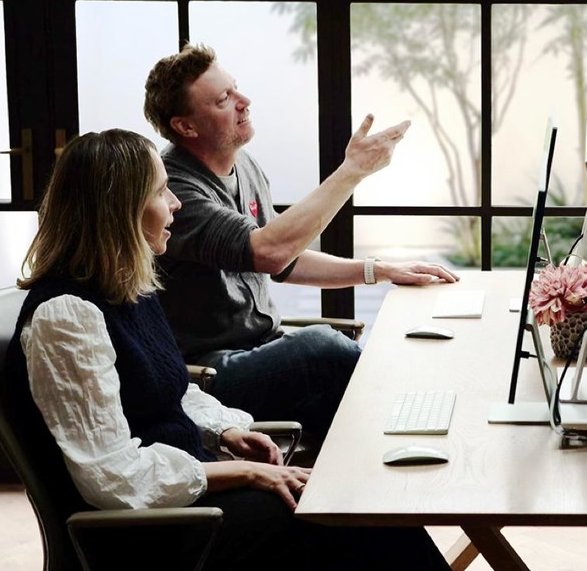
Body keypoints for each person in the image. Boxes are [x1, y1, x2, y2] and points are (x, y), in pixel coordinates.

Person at [5, 129, 556, 571]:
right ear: (118, 209)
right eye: (163, 193)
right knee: (354, 531)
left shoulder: (123, 284)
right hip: (146, 540)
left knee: (361, 531)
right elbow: (111, 478)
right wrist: (240, 471)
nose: (178, 205)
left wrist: (227, 432)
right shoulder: (67, 315)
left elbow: (173, 388)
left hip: (184, 506)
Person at [142, 43, 458, 438]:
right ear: (185, 127)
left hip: (261, 349)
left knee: (355, 422)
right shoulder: (178, 191)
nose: (244, 101)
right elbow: (270, 251)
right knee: (320, 348)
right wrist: (352, 171)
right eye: (225, 99)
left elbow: (286, 258)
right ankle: (437, 412)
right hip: (207, 373)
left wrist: (379, 270)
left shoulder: (244, 165)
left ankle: (407, 464)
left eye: (236, 88)